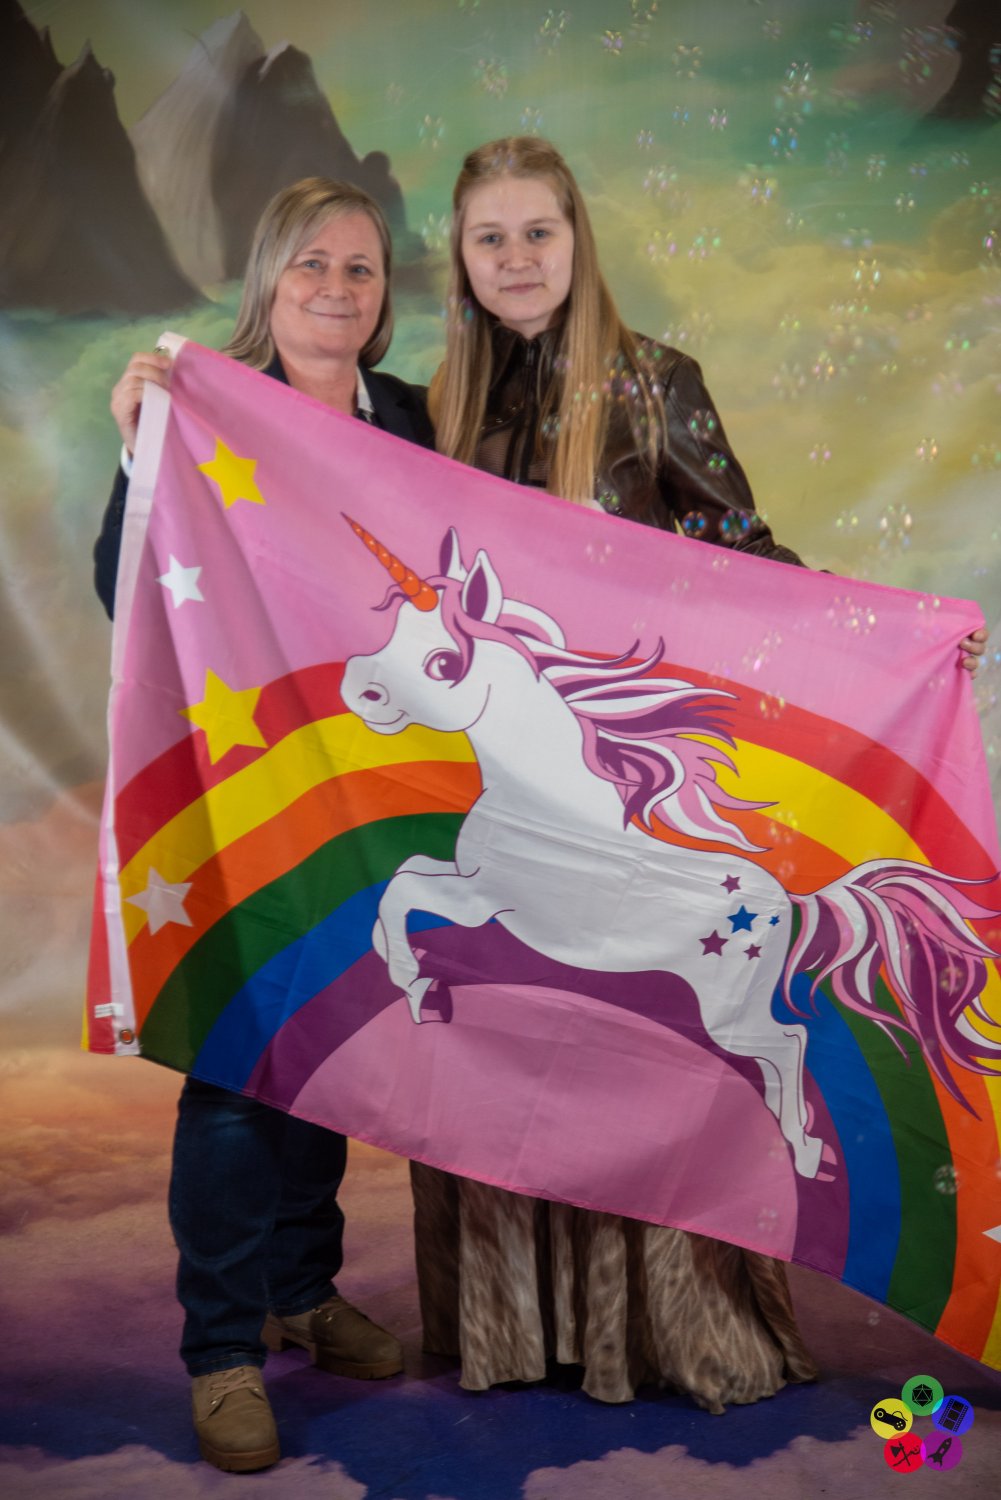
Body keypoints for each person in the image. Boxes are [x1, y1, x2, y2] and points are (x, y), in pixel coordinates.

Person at [413, 136, 988, 1414]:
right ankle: (518, 1331)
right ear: (458, 256)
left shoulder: (654, 383)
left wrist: (891, 634)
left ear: (577, 238)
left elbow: (747, 558)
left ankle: (674, 1332)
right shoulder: (430, 409)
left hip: (624, 810)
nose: (515, 258)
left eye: (537, 232)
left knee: (639, 1047)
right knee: (507, 1038)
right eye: (488, 237)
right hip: (497, 801)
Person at [94, 178, 434, 1474]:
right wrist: (136, 450)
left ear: (383, 295)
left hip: (372, 787)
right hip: (242, 783)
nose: (336, 289)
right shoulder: (200, 408)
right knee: (239, 1061)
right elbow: (118, 585)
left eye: (359, 268)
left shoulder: (414, 419)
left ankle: (302, 1288)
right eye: (310, 265)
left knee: (329, 1039)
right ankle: (222, 1348)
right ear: (266, 283)